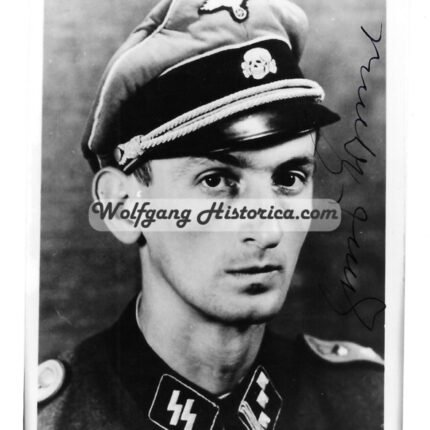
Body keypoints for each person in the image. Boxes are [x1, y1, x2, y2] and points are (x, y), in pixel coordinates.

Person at [38, 0, 384, 429]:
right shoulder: (45, 419)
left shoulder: (368, 405)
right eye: (217, 180)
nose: (268, 230)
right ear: (125, 207)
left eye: (289, 178)